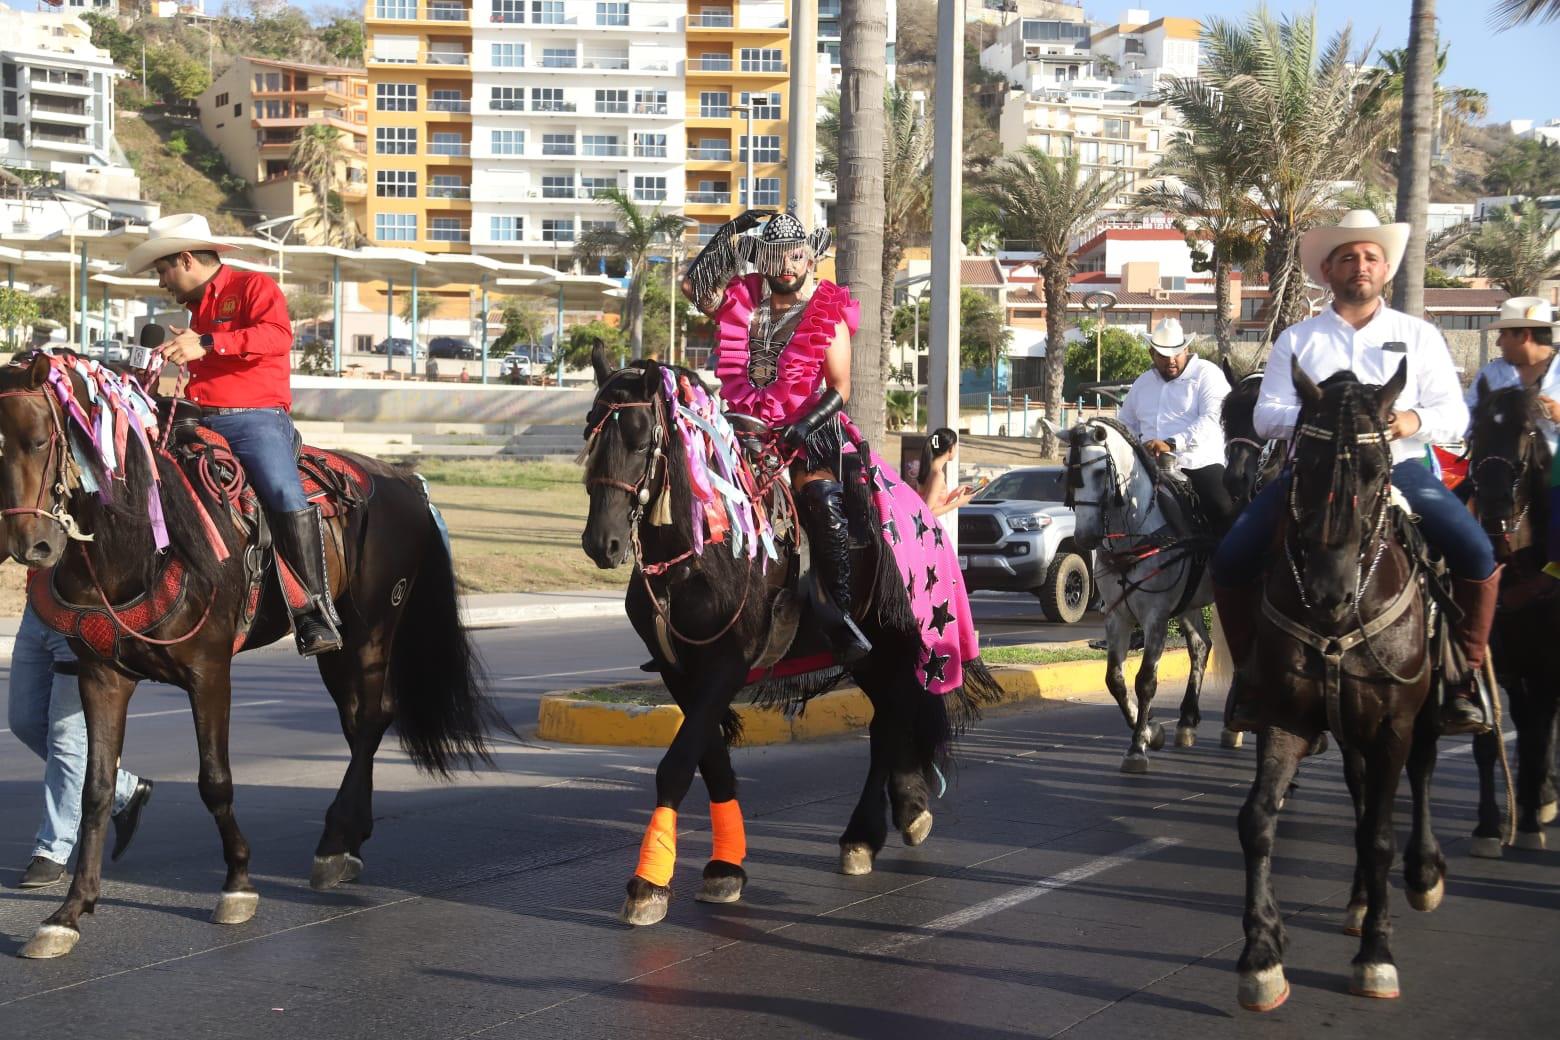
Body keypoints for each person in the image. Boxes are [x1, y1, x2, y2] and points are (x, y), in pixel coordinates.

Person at [1211, 210, 1498, 736]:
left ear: (1385, 269)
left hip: (1400, 469)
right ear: (1327, 270)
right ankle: (1252, 677)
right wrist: (1328, 419)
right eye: (1347, 257)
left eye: (1369, 257)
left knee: (1476, 552)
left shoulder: (1420, 335)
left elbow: (1454, 415)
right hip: (1310, 475)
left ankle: (1463, 677)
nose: (1359, 265)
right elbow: (1266, 414)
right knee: (1230, 557)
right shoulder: (1296, 339)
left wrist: (1410, 419)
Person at [119, 213, 342, 656]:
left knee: (282, 493)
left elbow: (278, 337)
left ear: (185, 259)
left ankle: (313, 611)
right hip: (197, 417)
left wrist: (205, 343)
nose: (162, 281)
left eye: (163, 269)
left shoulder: (255, 287)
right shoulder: (196, 309)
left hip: (254, 419)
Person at [682, 209, 871, 661]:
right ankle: (687, 614)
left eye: (795, 256)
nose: (786, 266)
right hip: (740, 428)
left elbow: (841, 388)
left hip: (804, 429)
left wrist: (804, 425)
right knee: (689, 486)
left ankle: (837, 615)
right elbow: (692, 288)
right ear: (762, 259)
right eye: (776, 257)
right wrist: (728, 234)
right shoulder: (742, 303)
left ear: (809, 258)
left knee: (821, 498)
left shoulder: (828, 312)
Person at [8, 603, 153, 888]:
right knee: (24, 721)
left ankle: (53, 849)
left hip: (82, 615)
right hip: (37, 610)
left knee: (66, 739)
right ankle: (124, 789)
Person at [1464, 296, 1560, 576]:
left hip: (1554, 471)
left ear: (1525, 335)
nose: (1498, 342)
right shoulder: (1491, 373)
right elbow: (1466, 421)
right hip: (1495, 467)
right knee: (1453, 511)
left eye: (1504, 334)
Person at [1117, 318, 1238, 535]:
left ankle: (1228, 566)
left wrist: (1171, 444)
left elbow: (1213, 419)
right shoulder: (1142, 383)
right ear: (1151, 354)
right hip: (1146, 468)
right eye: (1163, 355)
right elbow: (1126, 423)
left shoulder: (1207, 374)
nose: (1171, 360)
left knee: (1224, 509)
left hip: (1198, 464)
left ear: (1186, 349)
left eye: (1176, 353)